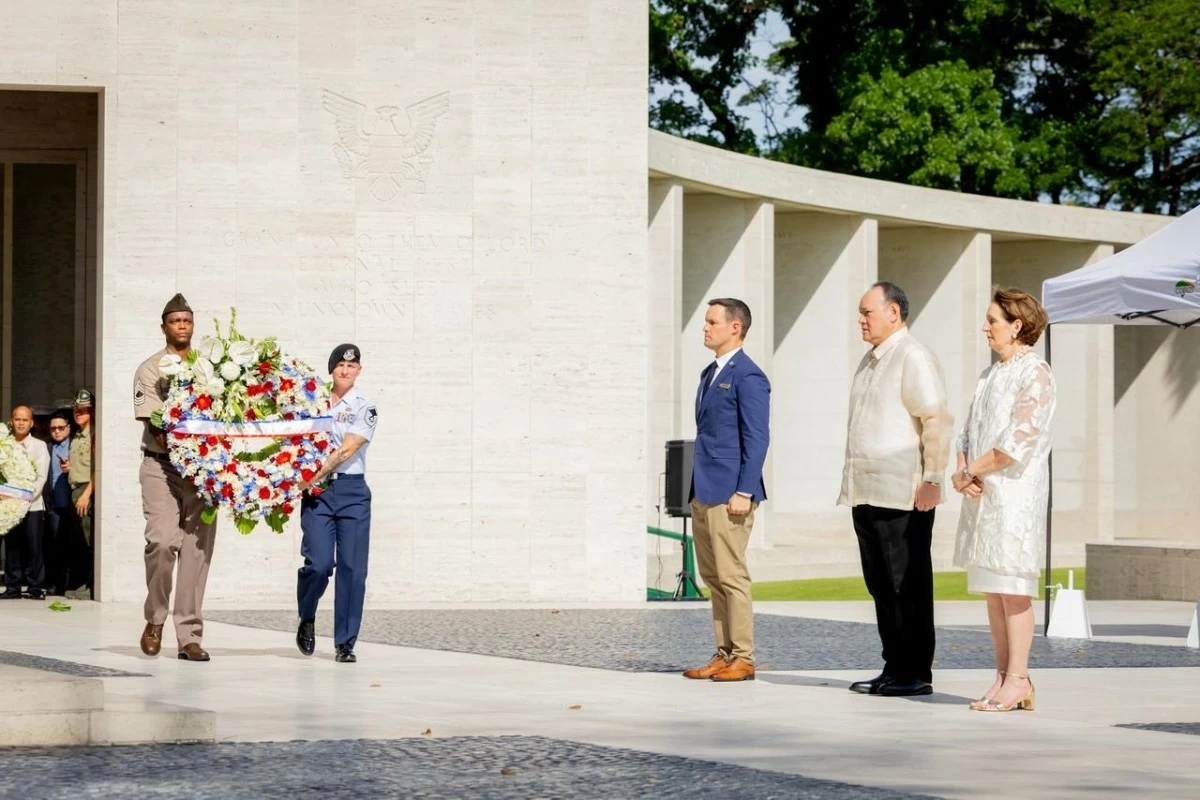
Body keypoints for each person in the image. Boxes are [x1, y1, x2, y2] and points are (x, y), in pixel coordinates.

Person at [839, 282, 953, 697]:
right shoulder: (869, 361)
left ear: (893, 312)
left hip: (904, 493)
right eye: (860, 312)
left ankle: (916, 671)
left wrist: (934, 479)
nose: (861, 320)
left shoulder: (913, 356)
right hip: (867, 490)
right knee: (881, 585)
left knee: (909, 585)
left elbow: (936, 419)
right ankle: (894, 665)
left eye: (867, 312)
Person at [953, 288, 1056, 713]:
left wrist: (973, 470)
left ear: (1017, 325)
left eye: (992, 320)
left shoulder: (1037, 373)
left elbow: (1018, 440)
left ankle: (1019, 678)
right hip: (983, 496)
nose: (985, 328)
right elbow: (967, 432)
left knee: (1014, 590)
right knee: (993, 591)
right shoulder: (988, 375)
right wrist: (963, 470)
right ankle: (1001, 676)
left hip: (1014, 497)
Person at [682, 299, 770, 683]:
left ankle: (744, 657)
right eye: (705, 321)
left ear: (735, 327)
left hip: (731, 493)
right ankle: (724, 653)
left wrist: (744, 491)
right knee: (713, 577)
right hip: (703, 490)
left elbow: (757, 438)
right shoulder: (709, 373)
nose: (705, 327)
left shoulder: (748, 376)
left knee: (732, 576)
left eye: (712, 321)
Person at [134, 294, 217, 661]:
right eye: (175, 321)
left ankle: (189, 637)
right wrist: (187, 451)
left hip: (203, 473)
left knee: (197, 553)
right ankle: (155, 619)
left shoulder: (209, 368)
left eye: (187, 320)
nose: (182, 326)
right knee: (163, 542)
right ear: (164, 326)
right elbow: (154, 426)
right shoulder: (151, 369)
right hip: (162, 466)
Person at [295, 344, 378, 664]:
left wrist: (311, 476)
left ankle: (345, 642)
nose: (345, 371)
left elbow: (347, 449)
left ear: (359, 370)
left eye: (352, 366)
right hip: (319, 494)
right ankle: (307, 615)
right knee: (318, 564)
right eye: (340, 366)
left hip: (352, 491)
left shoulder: (364, 406)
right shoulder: (310, 402)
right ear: (331, 369)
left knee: (353, 570)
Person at [1, 406, 50, 599]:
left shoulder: (39, 446)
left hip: (32, 505)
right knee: (12, 546)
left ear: (31, 423)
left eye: (25, 420)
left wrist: (25, 497)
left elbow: (41, 477)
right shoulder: (5, 445)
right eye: (17, 419)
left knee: (34, 546)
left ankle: (36, 587)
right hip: (9, 505)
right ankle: (12, 587)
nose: (21, 423)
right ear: (12, 421)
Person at [65, 391, 95, 600]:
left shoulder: (94, 435)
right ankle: (84, 582)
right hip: (75, 489)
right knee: (80, 543)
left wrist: (87, 494)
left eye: (84, 410)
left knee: (90, 542)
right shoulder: (76, 435)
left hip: (85, 490)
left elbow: (97, 469)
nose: (79, 413)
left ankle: (93, 586)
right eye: (76, 409)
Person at [43, 410, 75, 596]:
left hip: (72, 503)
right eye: (53, 428)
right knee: (55, 546)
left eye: (60, 428)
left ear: (68, 428)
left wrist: (72, 467)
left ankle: (71, 583)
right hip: (53, 506)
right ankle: (56, 583)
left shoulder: (75, 446)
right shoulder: (47, 448)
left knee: (73, 545)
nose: (56, 431)